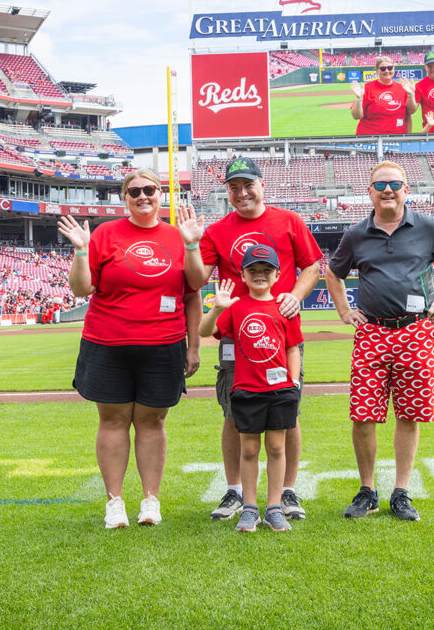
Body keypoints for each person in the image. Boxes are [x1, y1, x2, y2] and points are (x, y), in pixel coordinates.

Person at [325, 160, 434, 522]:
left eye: (394, 183)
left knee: (410, 414)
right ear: (369, 192)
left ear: (407, 189)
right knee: (363, 415)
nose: (387, 189)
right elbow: (332, 272)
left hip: (416, 330)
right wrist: (344, 310)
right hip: (372, 332)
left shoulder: (426, 227)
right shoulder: (357, 234)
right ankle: (367, 490)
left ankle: (401, 492)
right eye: (380, 185)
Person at [177, 156, 322, 522]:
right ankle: (236, 490)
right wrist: (192, 246)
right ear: (227, 191)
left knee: (289, 410)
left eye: (247, 185)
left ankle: (286, 490)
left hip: (280, 328)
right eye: (233, 187)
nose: (241, 193)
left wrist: (296, 295)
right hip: (234, 333)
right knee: (233, 410)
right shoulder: (218, 230)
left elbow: (313, 266)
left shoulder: (289, 220)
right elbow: (196, 280)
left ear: (262, 185)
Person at [58, 169, 201, 529]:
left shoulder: (177, 235)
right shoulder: (106, 234)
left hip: (163, 344)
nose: (142, 196)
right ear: (124, 198)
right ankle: (115, 502)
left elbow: (193, 291)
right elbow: (80, 289)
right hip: (107, 342)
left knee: (152, 421)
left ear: (160, 194)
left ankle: (151, 500)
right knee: (112, 420)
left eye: (149, 189)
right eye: (134, 191)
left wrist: (194, 345)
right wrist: (80, 250)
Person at [199, 245, 303, 532]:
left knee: (277, 447)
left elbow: (293, 348)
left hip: (280, 389)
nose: (260, 275)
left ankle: (273, 507)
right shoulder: (235, 306)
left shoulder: (285, 306)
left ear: (277, 275)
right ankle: (249, 508)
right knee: (248, 449)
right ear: (242, 275)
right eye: (253, 271)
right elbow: (205, 331)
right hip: (246, 389)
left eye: (266, 270)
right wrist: (216, 307)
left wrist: (293, 383)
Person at [350, 56, 417, 135]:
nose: (387, 71)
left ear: (393, 69)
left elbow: (410, 112)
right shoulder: (367, 88)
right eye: (383, 69)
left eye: (390, 68)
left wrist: (411, 94)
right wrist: (359, 98)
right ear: (377, 71)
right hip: (370, 140)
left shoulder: (403, 88)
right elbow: (356, 116)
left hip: (396, 139)